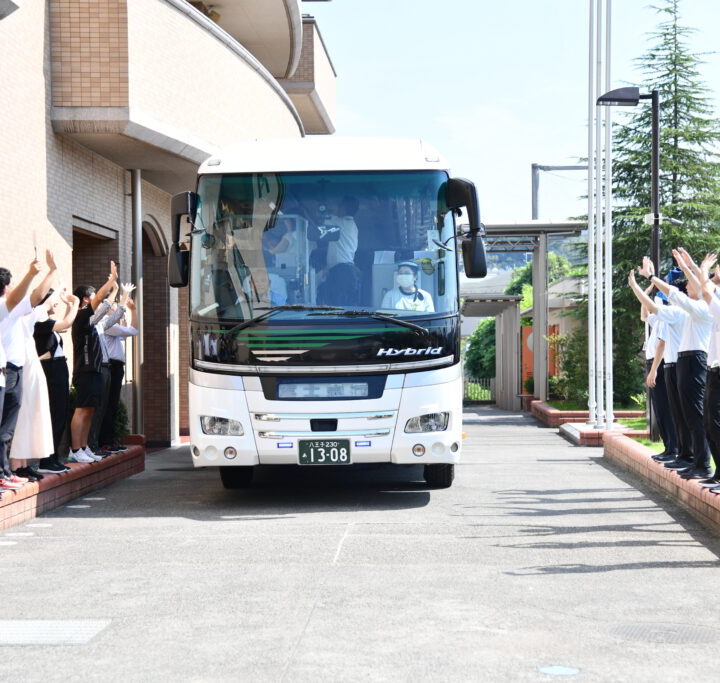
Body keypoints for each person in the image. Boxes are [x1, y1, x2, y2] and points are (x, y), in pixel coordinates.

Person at [634, 255, 714, 480]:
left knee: (697, 416)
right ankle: (689, 457)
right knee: (684, 414)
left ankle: (700, 463)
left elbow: (676, 294)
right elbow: (663, 303)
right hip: (685, 360)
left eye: (689, 283)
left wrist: (651, 278)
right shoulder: (691, 310)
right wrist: (689, 268)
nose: (687, 287)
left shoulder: (699, 309)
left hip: (695, 360)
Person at [0, 253, 56, 490]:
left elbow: (36, 297)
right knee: (3, 426)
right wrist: (34, 273)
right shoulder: (4, 307)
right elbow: (28, 296)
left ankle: (4, 472)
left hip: (13, 370)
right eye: (10, 284)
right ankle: (3, 473)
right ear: (5, 287)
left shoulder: (12, 309)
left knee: (7, 427)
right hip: (6, 372)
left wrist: (51, 272)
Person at [69, 261, 119, 464]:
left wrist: (114, 290)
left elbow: (105, 304)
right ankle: (74, 449)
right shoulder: (81, 317)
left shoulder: (91, 319)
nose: (95, 301)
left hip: (95, 369)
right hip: (85, 370)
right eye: (91, 298)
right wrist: (111, 280)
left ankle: (84, 446)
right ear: (84, 300)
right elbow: (100, 299)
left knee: (90, 410)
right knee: (82, 409)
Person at [35, 289, 80, 475]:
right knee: (55, 413)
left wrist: (69, 306)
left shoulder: (47, 324)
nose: (55, 304)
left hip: (58, 368)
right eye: (53, 300)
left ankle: (52, 458)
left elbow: (63, 325)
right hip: (50, 369)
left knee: (60, 413)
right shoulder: (39, 321)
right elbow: (67, 322)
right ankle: (46, 459)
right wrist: (76, 302)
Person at [88, 282, 131, 454]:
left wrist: (124, 297)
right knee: (99, 407)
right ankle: (95, 443)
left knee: (107, 405)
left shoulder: (101, 323)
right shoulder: (90, 320)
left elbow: (119, 314)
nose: (108, 308)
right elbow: (130, 330)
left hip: (107, 366)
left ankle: (99, 443)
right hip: (99, 367)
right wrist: (114, 289)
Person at [97, 291, 138, 453]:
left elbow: (132, 330)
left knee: (112, 404)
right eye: (112, 305)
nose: (115, 308)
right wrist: (128, 307)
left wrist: (133, 310)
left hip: (116, 366)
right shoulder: (106, 322)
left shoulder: (112, 325)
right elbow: (132, 331)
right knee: (108, 404)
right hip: (110, 366)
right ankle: (104, 441)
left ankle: (110, 440)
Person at [325, 196, 359, 270]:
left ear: (344, 208)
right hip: (347, 267)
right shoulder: (353, 225)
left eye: (339, 206)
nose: (337, 208)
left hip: (338, 269)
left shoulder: (338, 223)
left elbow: (318, 222)